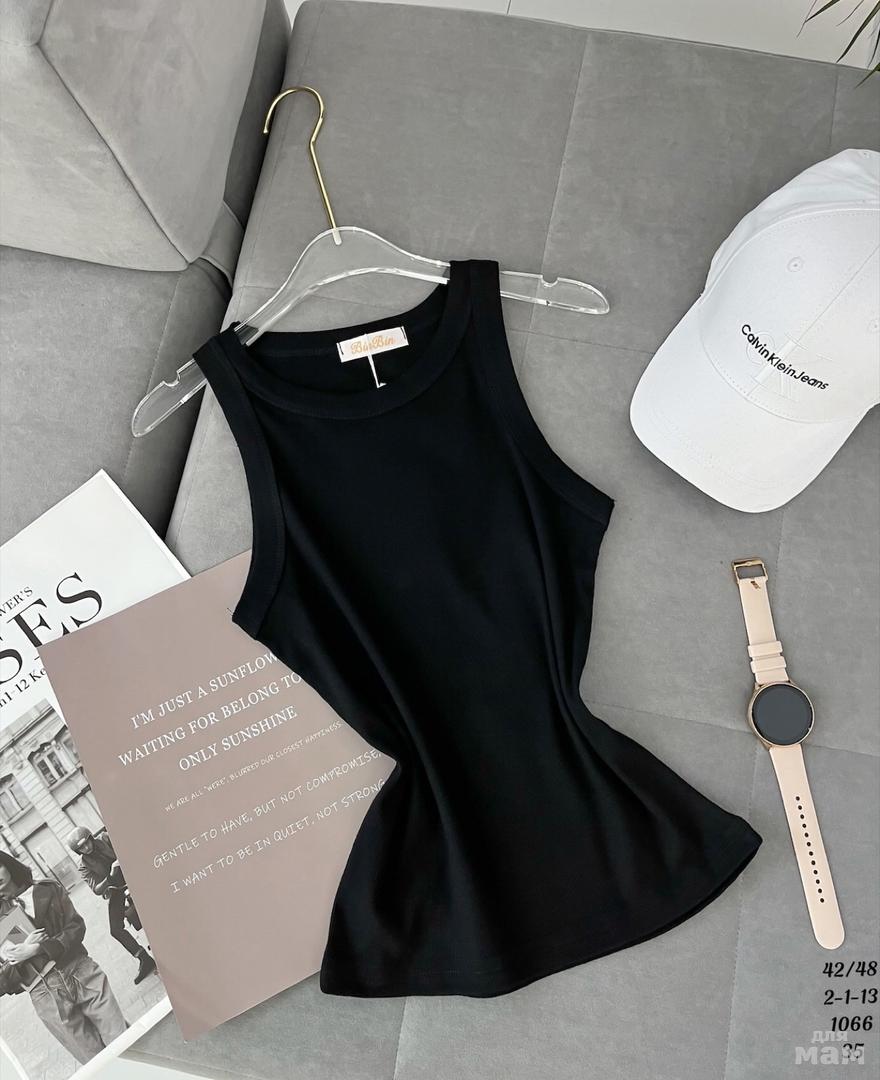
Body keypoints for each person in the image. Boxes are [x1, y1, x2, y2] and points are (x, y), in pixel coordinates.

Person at [0, 850, 129, 1065]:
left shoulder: (47, 888)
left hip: (80, 971)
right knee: (98, 1062)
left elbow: (76, 927)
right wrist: (19, 956)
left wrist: (39, 948)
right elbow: (3, 982)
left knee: (123, 1040)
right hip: (45, 994)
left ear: (7, 864)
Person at [66, 826, 156, 984]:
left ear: (91, 838)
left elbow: (128, 848)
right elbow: (96, 888)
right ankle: (144, 958)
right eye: (82, 848)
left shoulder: (105, 838)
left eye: (87, 843)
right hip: (115, 889)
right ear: (78, 851)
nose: (86, 848)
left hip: (134, 876)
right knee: (115, 929)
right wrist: (111, 875)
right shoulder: (83, 866)